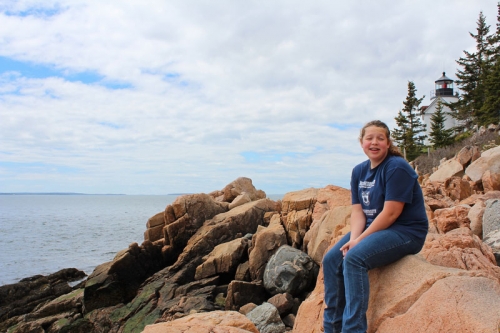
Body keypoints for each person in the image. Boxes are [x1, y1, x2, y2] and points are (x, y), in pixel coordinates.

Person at [322, 120, 428, 333]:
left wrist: (359, 242)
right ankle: (332, 327)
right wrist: (354, 238)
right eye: (369, 138)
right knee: (331, 259)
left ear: (388, 143)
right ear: (361, 142)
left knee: (354, 259)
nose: (374, 142)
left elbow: (391, 213)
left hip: (405, 231)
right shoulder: (359, 171)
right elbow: (358, 212)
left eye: (380, 138)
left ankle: (353, 330)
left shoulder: (397, 167)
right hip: (376, 227)